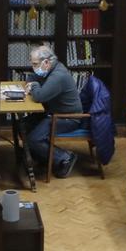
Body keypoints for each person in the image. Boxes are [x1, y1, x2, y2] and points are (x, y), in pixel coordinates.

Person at [26, 43, 82, 177]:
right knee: (24, 125)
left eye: (35, 64)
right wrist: (34, 83)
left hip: (67, 118)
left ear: (46, 62)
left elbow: (39, 96)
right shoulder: (50, 69)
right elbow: (32, 77)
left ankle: (65, 157)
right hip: (55, 113)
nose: (33, 68)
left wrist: (33, 86)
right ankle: (43, 157)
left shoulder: (58, 76)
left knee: (34, 139)